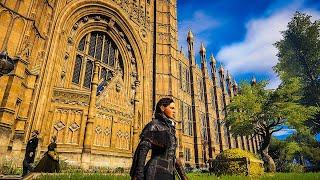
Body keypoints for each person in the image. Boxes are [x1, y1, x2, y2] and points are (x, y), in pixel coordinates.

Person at [130, 97, 188, 180]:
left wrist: (183, 176)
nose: (174, 111)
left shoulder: (170, 129)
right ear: (162, 108)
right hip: (155, 172)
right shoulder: (154, 125)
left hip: (169, 174)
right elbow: (142, 151)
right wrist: (138, 175)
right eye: (171, 108)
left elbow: (172, 156)